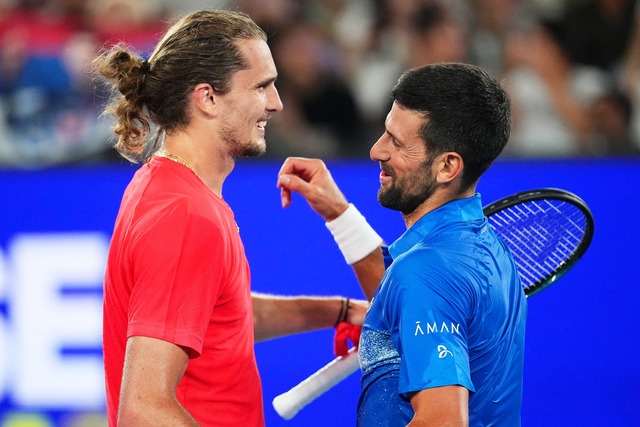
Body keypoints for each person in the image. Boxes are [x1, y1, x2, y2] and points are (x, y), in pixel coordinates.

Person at [94, 9, 366, 427]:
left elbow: (222, 316)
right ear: (207, 98)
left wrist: (339, 310)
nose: (276, 103)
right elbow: (143, 411)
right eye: (262, 87)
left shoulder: (166, 188)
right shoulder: (185, 216)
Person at [277, 62, 528, 426]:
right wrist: (338, 213)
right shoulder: (484, 249)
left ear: (447, 167)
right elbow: (397, 291)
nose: (376, 150)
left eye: (396, 142)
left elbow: (442, 422)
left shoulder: (425, 273)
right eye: (385, 133)